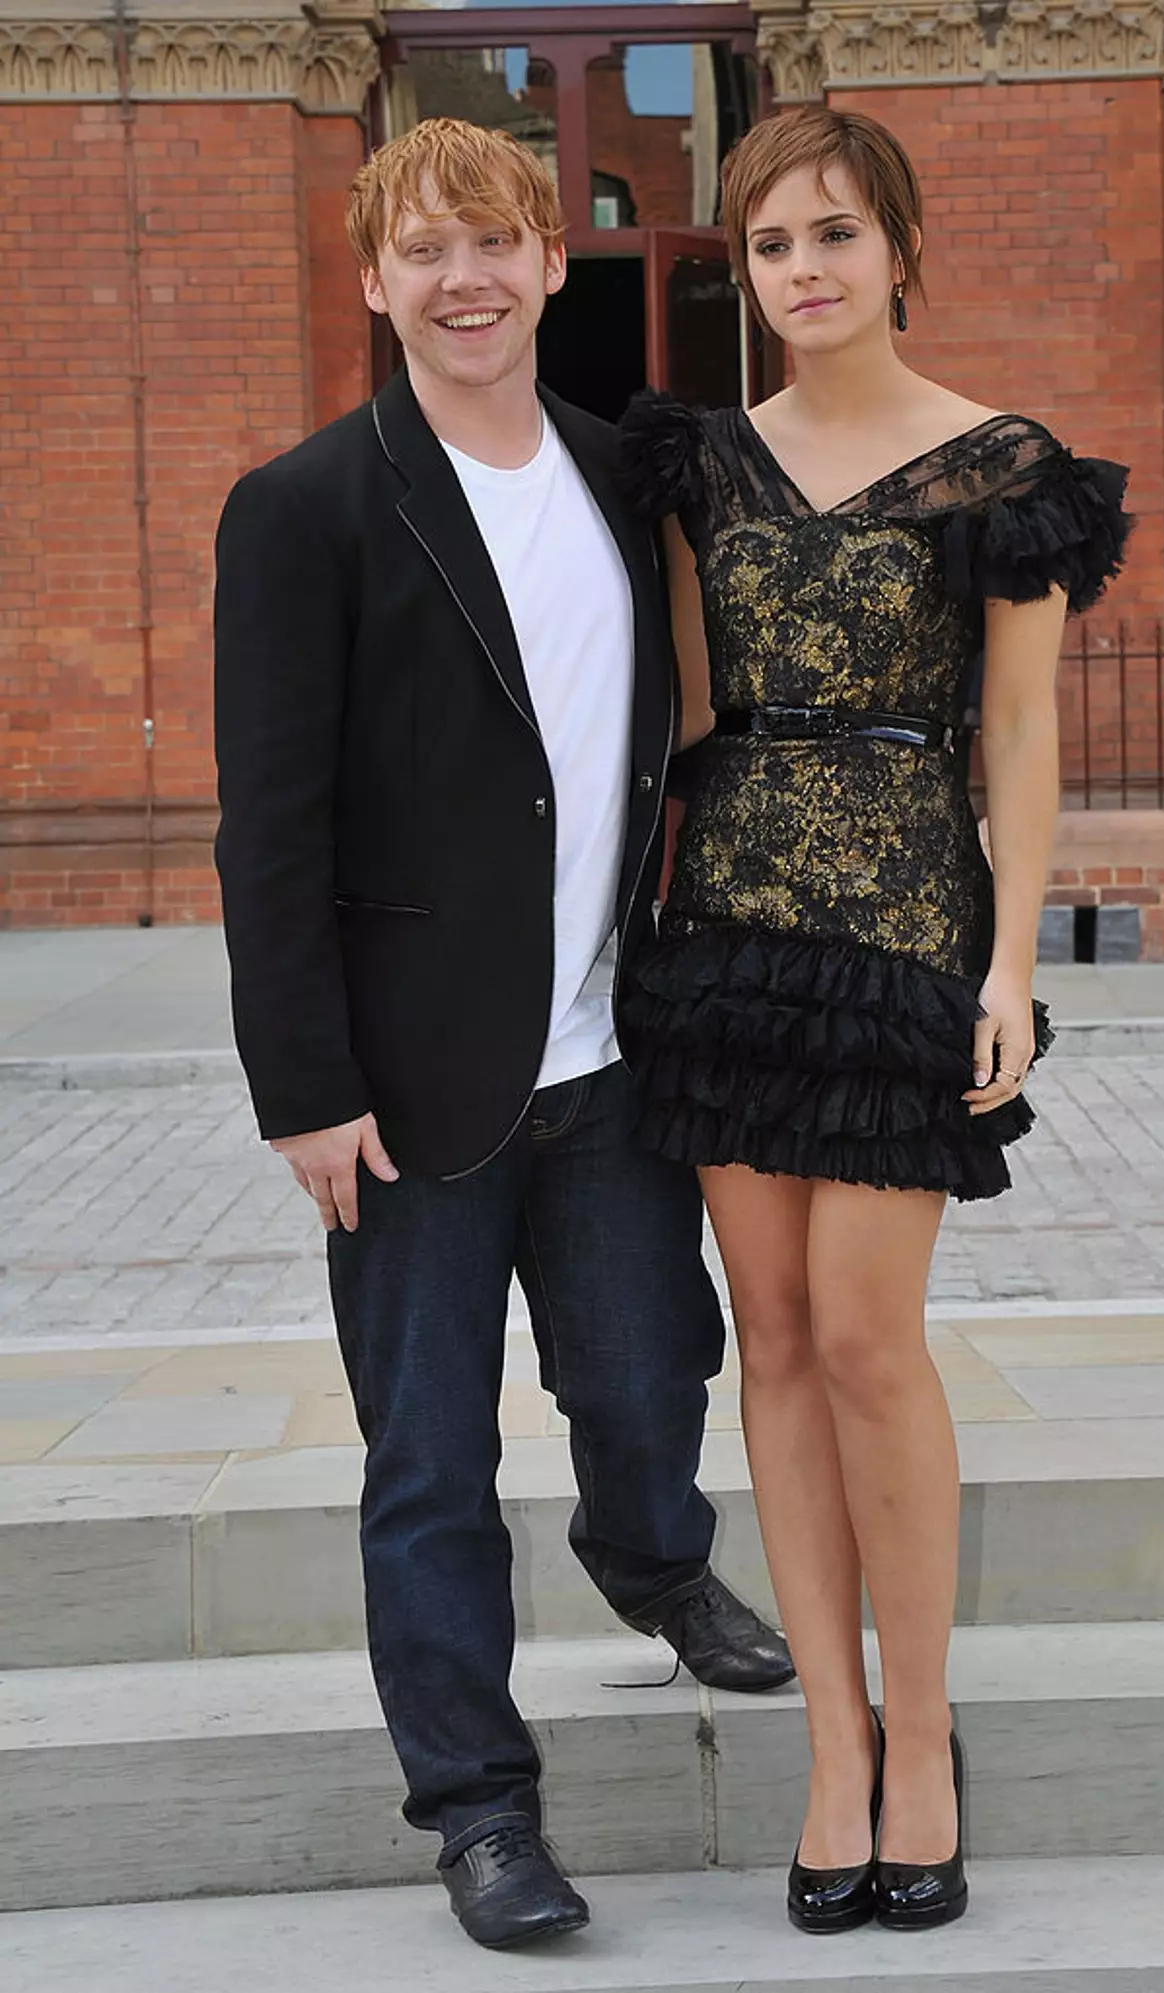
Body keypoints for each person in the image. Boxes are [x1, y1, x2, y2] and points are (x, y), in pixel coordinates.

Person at [211, 116, 792, 1956]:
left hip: (613, 1057)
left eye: (499, 242)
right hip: (402, 1091)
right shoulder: (304, 507)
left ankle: (649, 1555)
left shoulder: (638, 475)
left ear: (554, 263)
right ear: (375, 279)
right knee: (428, 1462)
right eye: (424, 249)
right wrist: (301, 1086)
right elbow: (269, 826)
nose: (464, 279)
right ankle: (479, 1808)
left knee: (647, 1384)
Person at [620, 106, 1130, 1934]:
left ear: (899, 251)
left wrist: (1010, 962)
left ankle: (924, 1733)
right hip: (733, 931)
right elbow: (677, 723)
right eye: (769, 245)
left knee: (865, 1338)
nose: (804, 271)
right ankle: (833, 1747)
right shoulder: (696, 468)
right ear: (743, 273)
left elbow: (1018, 731)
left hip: (908, 930)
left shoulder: (1002, 469)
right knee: (767, 1338)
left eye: (834, 234)